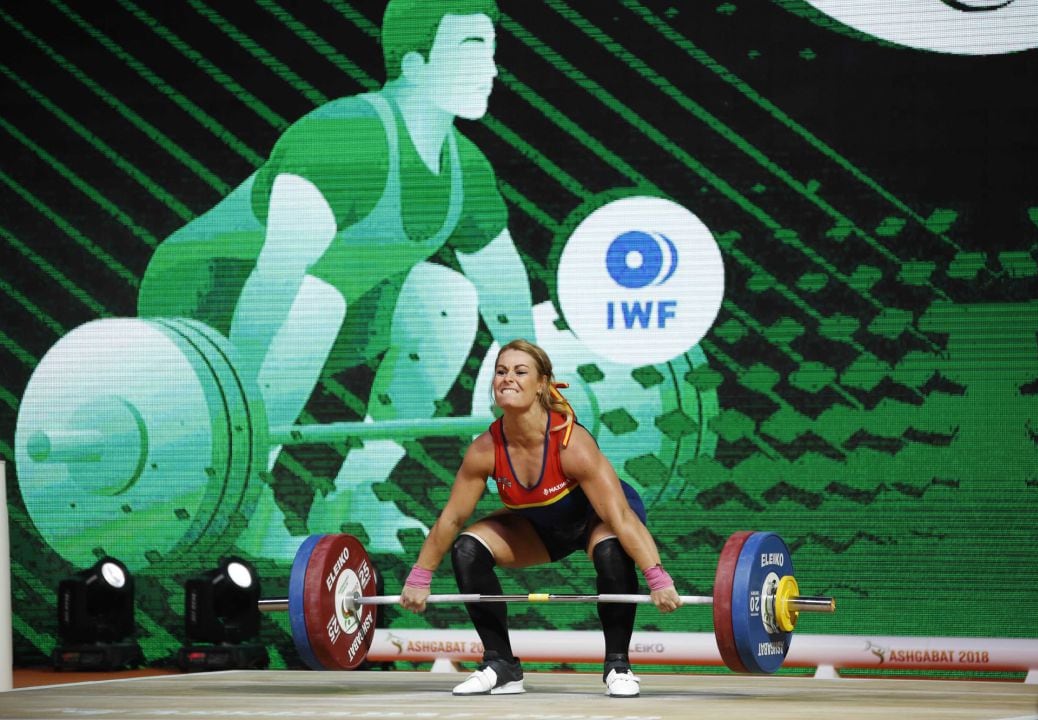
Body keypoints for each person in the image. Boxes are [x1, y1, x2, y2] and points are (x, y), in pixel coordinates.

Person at [136, 0, 536, 558]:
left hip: (319, 301)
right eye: (472, 50)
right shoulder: (345, 139)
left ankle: (353, 494)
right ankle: (243, 500)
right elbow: (276, 278)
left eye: (492, 52)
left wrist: (540, 391)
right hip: (202, 300)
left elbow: (505, 295)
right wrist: (228, 409)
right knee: (315, 299)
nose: (492, 70)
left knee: (448, 297)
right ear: (415, 64)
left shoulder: (465, 169)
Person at [400, 339, 682, 697]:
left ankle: (618, 666)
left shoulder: (571, 444)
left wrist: (656, 577)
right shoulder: (485, 450)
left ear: (542, 385)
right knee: (468, 549)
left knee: (612, 551)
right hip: (542, 527)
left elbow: (621, 516)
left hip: (600, 518)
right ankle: (501, 665)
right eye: (501, 372)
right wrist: (420, 576)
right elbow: (451, 520)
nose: (507, 379)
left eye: (520, 372)